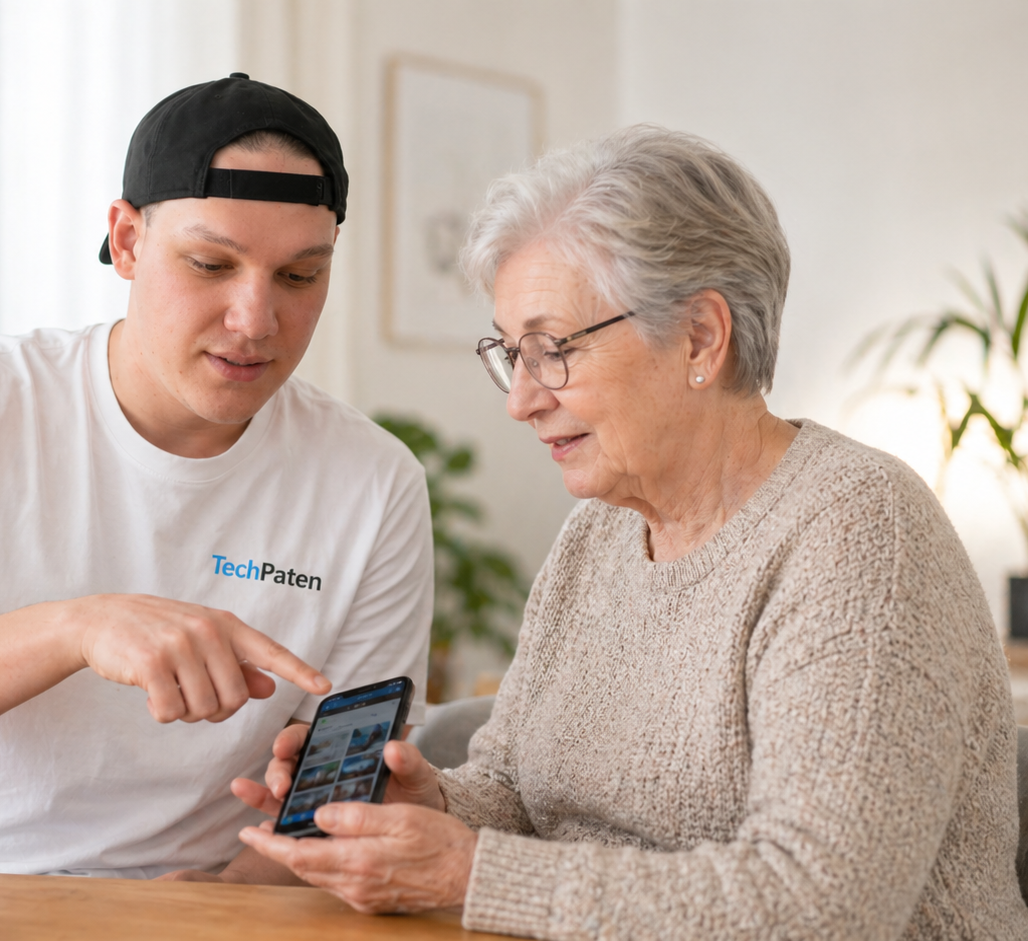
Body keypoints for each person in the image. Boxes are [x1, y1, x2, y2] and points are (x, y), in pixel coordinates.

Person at [233, 125, 1028, 938]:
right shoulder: (596, 536)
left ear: (700, 337)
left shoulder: (860, 531)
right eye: (511, 354)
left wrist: (470, 872)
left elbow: (821, 906)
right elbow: (513, 784)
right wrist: (429, 803)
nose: (522, 398)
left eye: (550, 349)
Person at [0, 74, 432, 881]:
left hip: (202, 918)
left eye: (300, 277)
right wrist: (79, 628)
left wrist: (227, 908)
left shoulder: (374, 483)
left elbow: (322, 810)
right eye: (210, 264)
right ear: (126, 241)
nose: (255, 319)